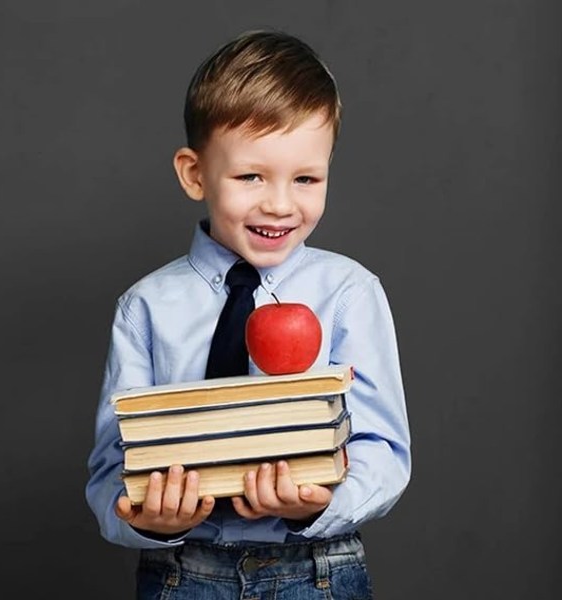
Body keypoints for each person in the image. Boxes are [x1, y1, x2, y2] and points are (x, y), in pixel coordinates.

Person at [86, 29, 411, 599]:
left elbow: (383, 450)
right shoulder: (145, 307)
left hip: (316, 569)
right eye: (250, 176)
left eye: (306, 178)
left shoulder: (349, 292)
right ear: (194, 174)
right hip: (184, 573)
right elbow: (113, 466)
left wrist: (324, 501)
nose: (281, 203)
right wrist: (145, 518)